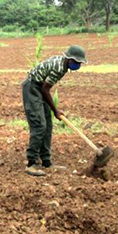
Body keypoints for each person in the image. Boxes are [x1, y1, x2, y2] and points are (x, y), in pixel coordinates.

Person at [22, 45, 87, 177]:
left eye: (79, 63)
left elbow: (45, 88)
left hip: (40, 86)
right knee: (39, 125)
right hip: (32, 87)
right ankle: (31, 164)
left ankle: (46, 162)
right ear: (69, 59)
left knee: (48, 125)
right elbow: (45, 89)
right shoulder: (59, 68)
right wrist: (55, 110)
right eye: (76, 62)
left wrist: (53, 110)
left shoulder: (62, 63)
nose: (77, 65)